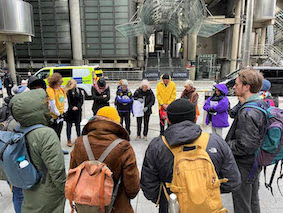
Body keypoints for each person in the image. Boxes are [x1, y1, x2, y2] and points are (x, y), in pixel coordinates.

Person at [141, 99, 241, 213]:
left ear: (168, 119)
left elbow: (148, 186)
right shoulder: (216, 141)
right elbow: (233, 181)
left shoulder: (157, 146)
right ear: (195, 118)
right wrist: (203, 191)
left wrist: (167, 199)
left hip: (172, 207)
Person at [70, 106, 140, 213]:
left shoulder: (80, 143)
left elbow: (72, 175)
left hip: (87, 206)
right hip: (117, 206)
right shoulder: (123, 147)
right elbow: (132, 186)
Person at [10, 89, 66, 213]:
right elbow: (57, 170)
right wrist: (67, 190)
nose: (49, 107)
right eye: (46, 105)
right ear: (36, 110)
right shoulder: (45, 134)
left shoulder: (18, 130)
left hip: (29, 194)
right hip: (49, 197)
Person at [225, 69, 267, 213]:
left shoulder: (248, 113)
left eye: (237, 84)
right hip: (254, 162)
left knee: (242, 205)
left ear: (246, 87)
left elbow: (245, 146)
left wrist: (225, 146)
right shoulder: (260, 103)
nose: (234, 87)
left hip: (244, 165)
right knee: (252, 201)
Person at [46, 73, 68, 141]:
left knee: (59, 133)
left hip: (61, 116)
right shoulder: (50, 90)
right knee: (54, 135)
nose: (61, 83)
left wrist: (64, 111)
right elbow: (52, 104)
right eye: (60, 82)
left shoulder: (61, 89)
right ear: (55, 82)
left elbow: (65, 100)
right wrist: (58, 114)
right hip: (54, 117)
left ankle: (59, 148)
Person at [65, 79, 84, 147]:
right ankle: (69, 139)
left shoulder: (78, 90)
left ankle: (79, 138)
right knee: (69, 126)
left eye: (76, 84)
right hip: (69, 112)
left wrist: (77, 107)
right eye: (74, 84)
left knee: (78, 125)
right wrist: (71, 107)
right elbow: (65, 102)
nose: (75, 86)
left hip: (77, 111)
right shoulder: (66, 91)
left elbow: (81, 100)